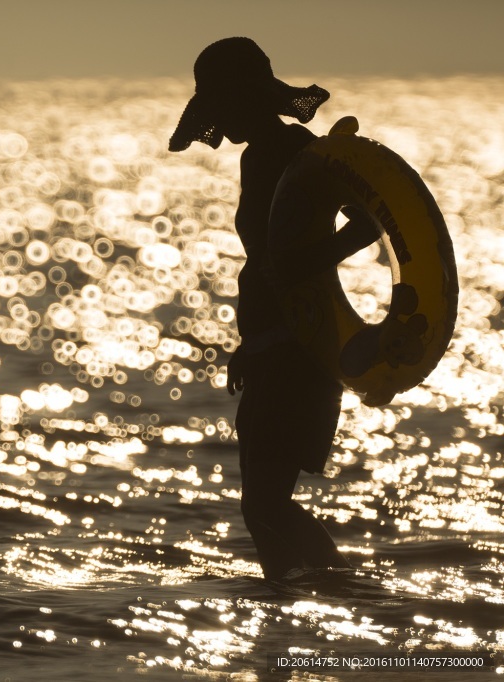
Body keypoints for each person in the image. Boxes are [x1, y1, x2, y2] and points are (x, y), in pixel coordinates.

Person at [168, 37, 381, 580]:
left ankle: (350, 595)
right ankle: (282, 626)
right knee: (258, 507)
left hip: (299, 346)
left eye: (222, 104)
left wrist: (316, 260)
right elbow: (271, 257)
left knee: (266, 504)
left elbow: (352, 229)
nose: (219, 118)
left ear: (247, 99)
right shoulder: (258, 155)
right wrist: (250, 346)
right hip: (271, 345)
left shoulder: (294, 152)